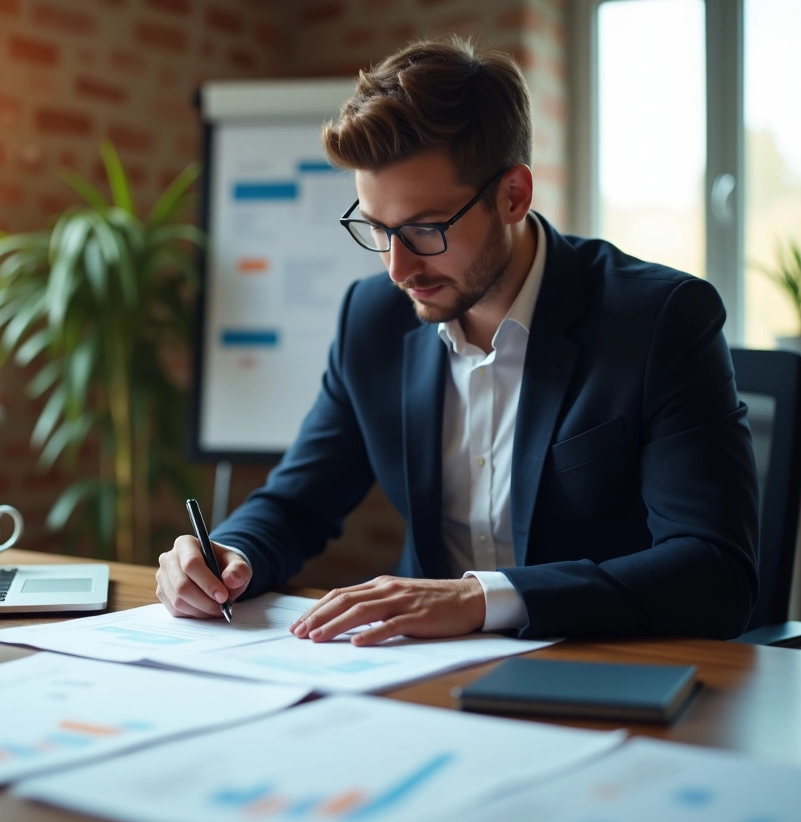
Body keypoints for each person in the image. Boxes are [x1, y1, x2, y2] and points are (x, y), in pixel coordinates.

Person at [156, 35, 759, 645]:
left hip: (599, 670)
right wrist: (227, 555)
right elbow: (297, 501)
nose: (397, 269)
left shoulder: (658, 319)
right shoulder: (372, 320)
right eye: (377, 228)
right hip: (422, 676)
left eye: (423, 229)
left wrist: (482, 598)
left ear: (513, 196)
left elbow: (714, 572)